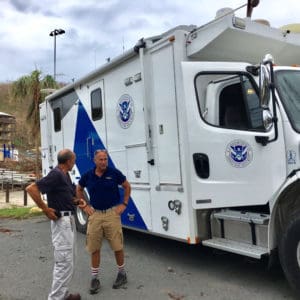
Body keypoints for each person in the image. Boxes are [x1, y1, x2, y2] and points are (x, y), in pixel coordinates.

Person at [26, 149, 86, 300]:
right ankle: (55, 298)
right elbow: (31, 189)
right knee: (63, 262)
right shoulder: (56, 174)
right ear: (68, 161)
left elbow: (67, 196)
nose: (75, 162)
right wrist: (45, 209)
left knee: (69, 262)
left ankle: (62, 294)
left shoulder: (65, 175)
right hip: (62, 223)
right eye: (74, 160)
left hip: (69, 220)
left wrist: (78, 201)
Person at [76, 149, 131, 295]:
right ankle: (95, 278)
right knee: (94, 248)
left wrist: (124, 204)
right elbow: (79, 188)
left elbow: (127, 186)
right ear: (95, 161)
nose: (103, 162)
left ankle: (122, 274)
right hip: (95, 215)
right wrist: (85, 205)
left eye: (105, 159)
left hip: (112, 214)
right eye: (100, 159)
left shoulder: (114, 173)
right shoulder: (88, 175)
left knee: (117, 246)